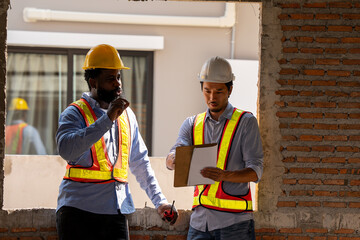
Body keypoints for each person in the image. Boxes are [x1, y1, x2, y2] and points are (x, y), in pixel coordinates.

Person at [56, 44, 177, 240]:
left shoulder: (127, 115)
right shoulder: (75, 112)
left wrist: (160, 202)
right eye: (110, 78)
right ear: (93, 82)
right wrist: (107, 119)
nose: (118, 84)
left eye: (118, 77)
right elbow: (66, 150)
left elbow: (140, 162)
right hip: (78, 211)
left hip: (115, 212)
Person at [166, 56, 263, 240]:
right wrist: (174, 158)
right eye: (207, 90)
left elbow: (256, 171)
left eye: (218, 91)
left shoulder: (246, 122)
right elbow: (171, 159)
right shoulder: (192, 124)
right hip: (200, 222)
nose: (212, 97)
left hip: (235, 225)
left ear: (230, 90)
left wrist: (225, 175)